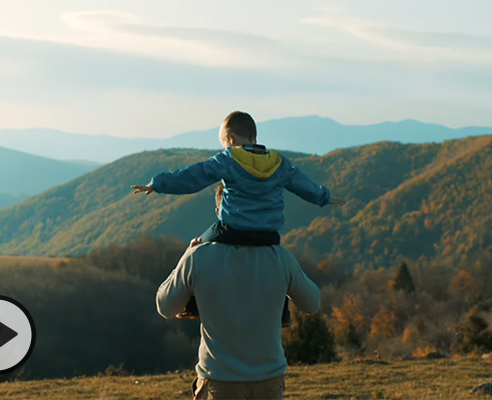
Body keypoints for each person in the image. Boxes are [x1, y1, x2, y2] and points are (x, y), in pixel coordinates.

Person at [133, 111, 344, 322]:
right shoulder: (280, 163)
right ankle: (282, 313)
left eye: (223, 142)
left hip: (233, 230)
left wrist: (158, 184)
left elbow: (194, 176)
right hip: (268, 236)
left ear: (231, 139)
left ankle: (194, 305)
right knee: (278, 271)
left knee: (199, 247)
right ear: (254, 136)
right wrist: (324, 197)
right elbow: (303, 184)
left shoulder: (229, 159)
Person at [156, 242, 320, 400]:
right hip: (268, 380)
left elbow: (166, 307)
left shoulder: (198, 257)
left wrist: (184, 259)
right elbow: (312, 304)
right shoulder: (280, 257)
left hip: (219, 379)